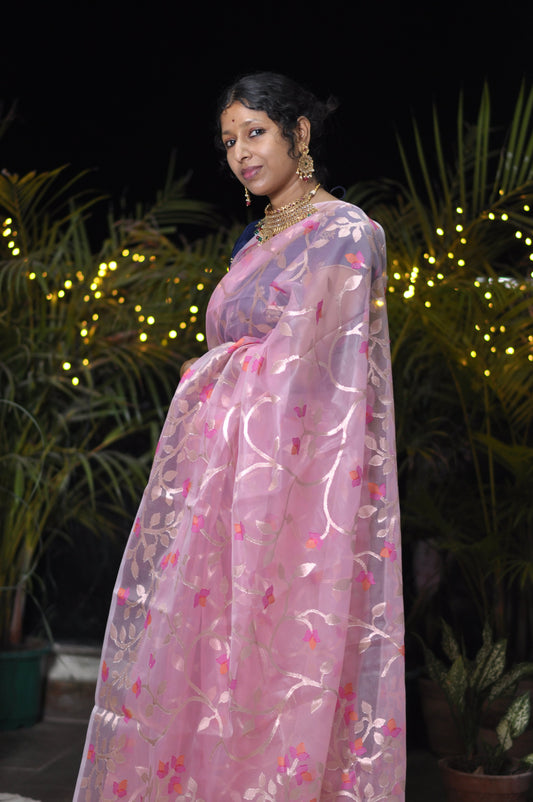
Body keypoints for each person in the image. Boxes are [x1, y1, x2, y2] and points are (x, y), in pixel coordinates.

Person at [73, 71, 405, 802]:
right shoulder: (253, 238)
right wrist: (217, 371)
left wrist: (212, 371)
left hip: (297, 491)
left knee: (278, 655)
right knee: (206, 656)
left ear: (299, 133)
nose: (241, 154)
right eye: (229, 142)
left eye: (255, 133)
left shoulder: (345, 233)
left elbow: (314, 371)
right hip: (221, 485)